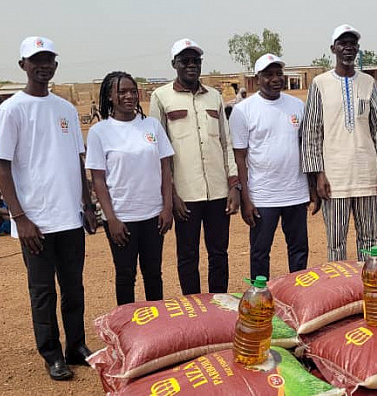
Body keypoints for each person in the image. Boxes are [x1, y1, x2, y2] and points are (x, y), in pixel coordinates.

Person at [0, 36, 97, 381]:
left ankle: (76, 346)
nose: (43, 65)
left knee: (74, 287)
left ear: (55, 64)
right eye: (36, 60)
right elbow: (2, 166)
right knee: (42, 292)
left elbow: (78, 159)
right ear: (23, 65)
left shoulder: (65, 109)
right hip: (34, 221)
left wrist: (87, 203)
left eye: (49, 59)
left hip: (70, 217)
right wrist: (19, 217)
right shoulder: (11, 109)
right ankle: (51, 353)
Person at [149, 38, 239, 294]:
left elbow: (226, 143)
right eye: (184, 61)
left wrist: (234, 185)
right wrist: (171, 194)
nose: (191, 65)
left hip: (218, 191)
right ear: (174, 64)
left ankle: (218, 303)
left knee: (219, 253)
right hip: (185, 195)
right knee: (188, 255)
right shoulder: (161, 97)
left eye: (195, 61)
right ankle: (194, 307)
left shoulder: (214, 97)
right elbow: (158, 151)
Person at [300, 25, 377, 261]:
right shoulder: (320, 84)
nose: (348, 48)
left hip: (367, 175)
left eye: (352, 44)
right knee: (336, 242)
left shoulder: (368, 83)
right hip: (335, 178)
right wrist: (317, 174)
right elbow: (311, 132)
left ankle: (370, 290)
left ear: (358, 49)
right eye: (343, 43)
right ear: (333, 48)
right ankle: (342, 294)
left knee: (370, 240)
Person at [87, 71, 174, 306]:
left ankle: (156, 327)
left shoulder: (152, 126)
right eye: (122, 92)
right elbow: (98, 179)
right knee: (125, 275)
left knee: (153, 273)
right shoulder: (99, 132)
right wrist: (111, 218)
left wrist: (167, 207)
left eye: (132, 91)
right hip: (121, 217)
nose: (129, 96)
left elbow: (165, 169)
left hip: (153, 215)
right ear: (109, 97)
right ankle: (127, 327)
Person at [231, 54, 311, 280]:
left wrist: (310, 189)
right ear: (257, 79)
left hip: (295, 193)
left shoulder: (297, 105)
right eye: (268, 75)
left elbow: (306, 148)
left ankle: (298, 295)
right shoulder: (243, 110)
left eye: (278, 74)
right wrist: (246, 199)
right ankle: (260, 298)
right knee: (259, 253)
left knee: (298, 251)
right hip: (263, 196)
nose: (275, 79)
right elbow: (240, 157)